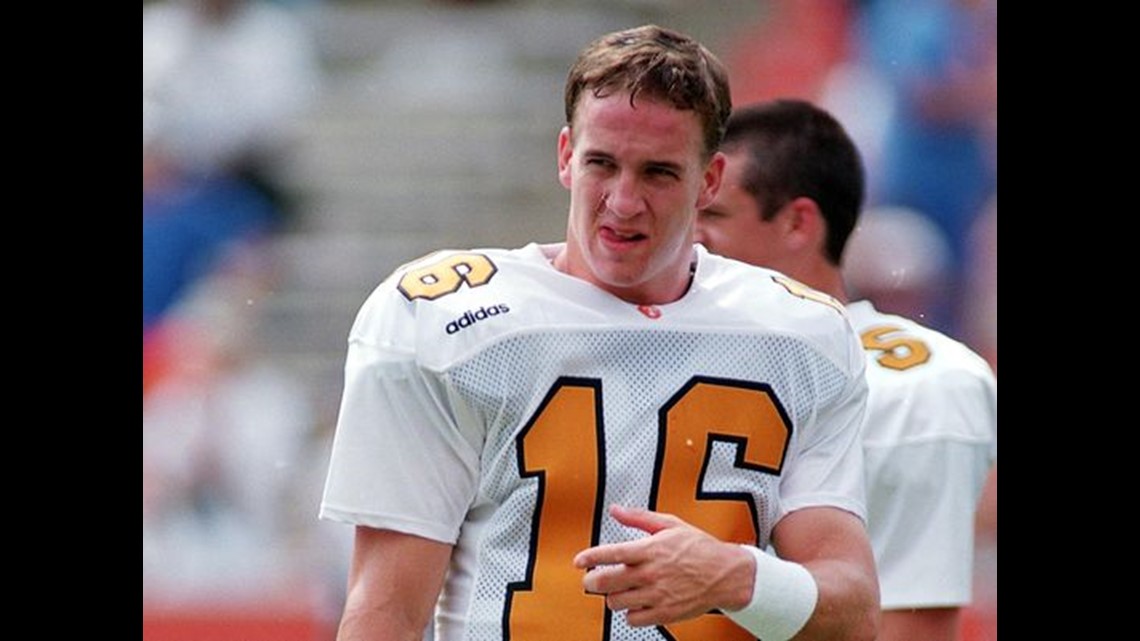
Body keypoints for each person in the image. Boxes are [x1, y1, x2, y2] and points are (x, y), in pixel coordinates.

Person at [319, 25, 879, 641]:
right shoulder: (451, 321)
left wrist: (739, 578)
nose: (623, 201)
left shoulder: (798, 334)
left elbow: (852, 610)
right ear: (565, 156)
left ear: (710, 181)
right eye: (601, 164)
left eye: (658, 173)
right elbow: (385, 612)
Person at [694, 98, 997, 641]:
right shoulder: (657, 352)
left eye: (713, 215)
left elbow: (910, 629)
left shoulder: (915, 386)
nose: (687, 237)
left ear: (797, 223)